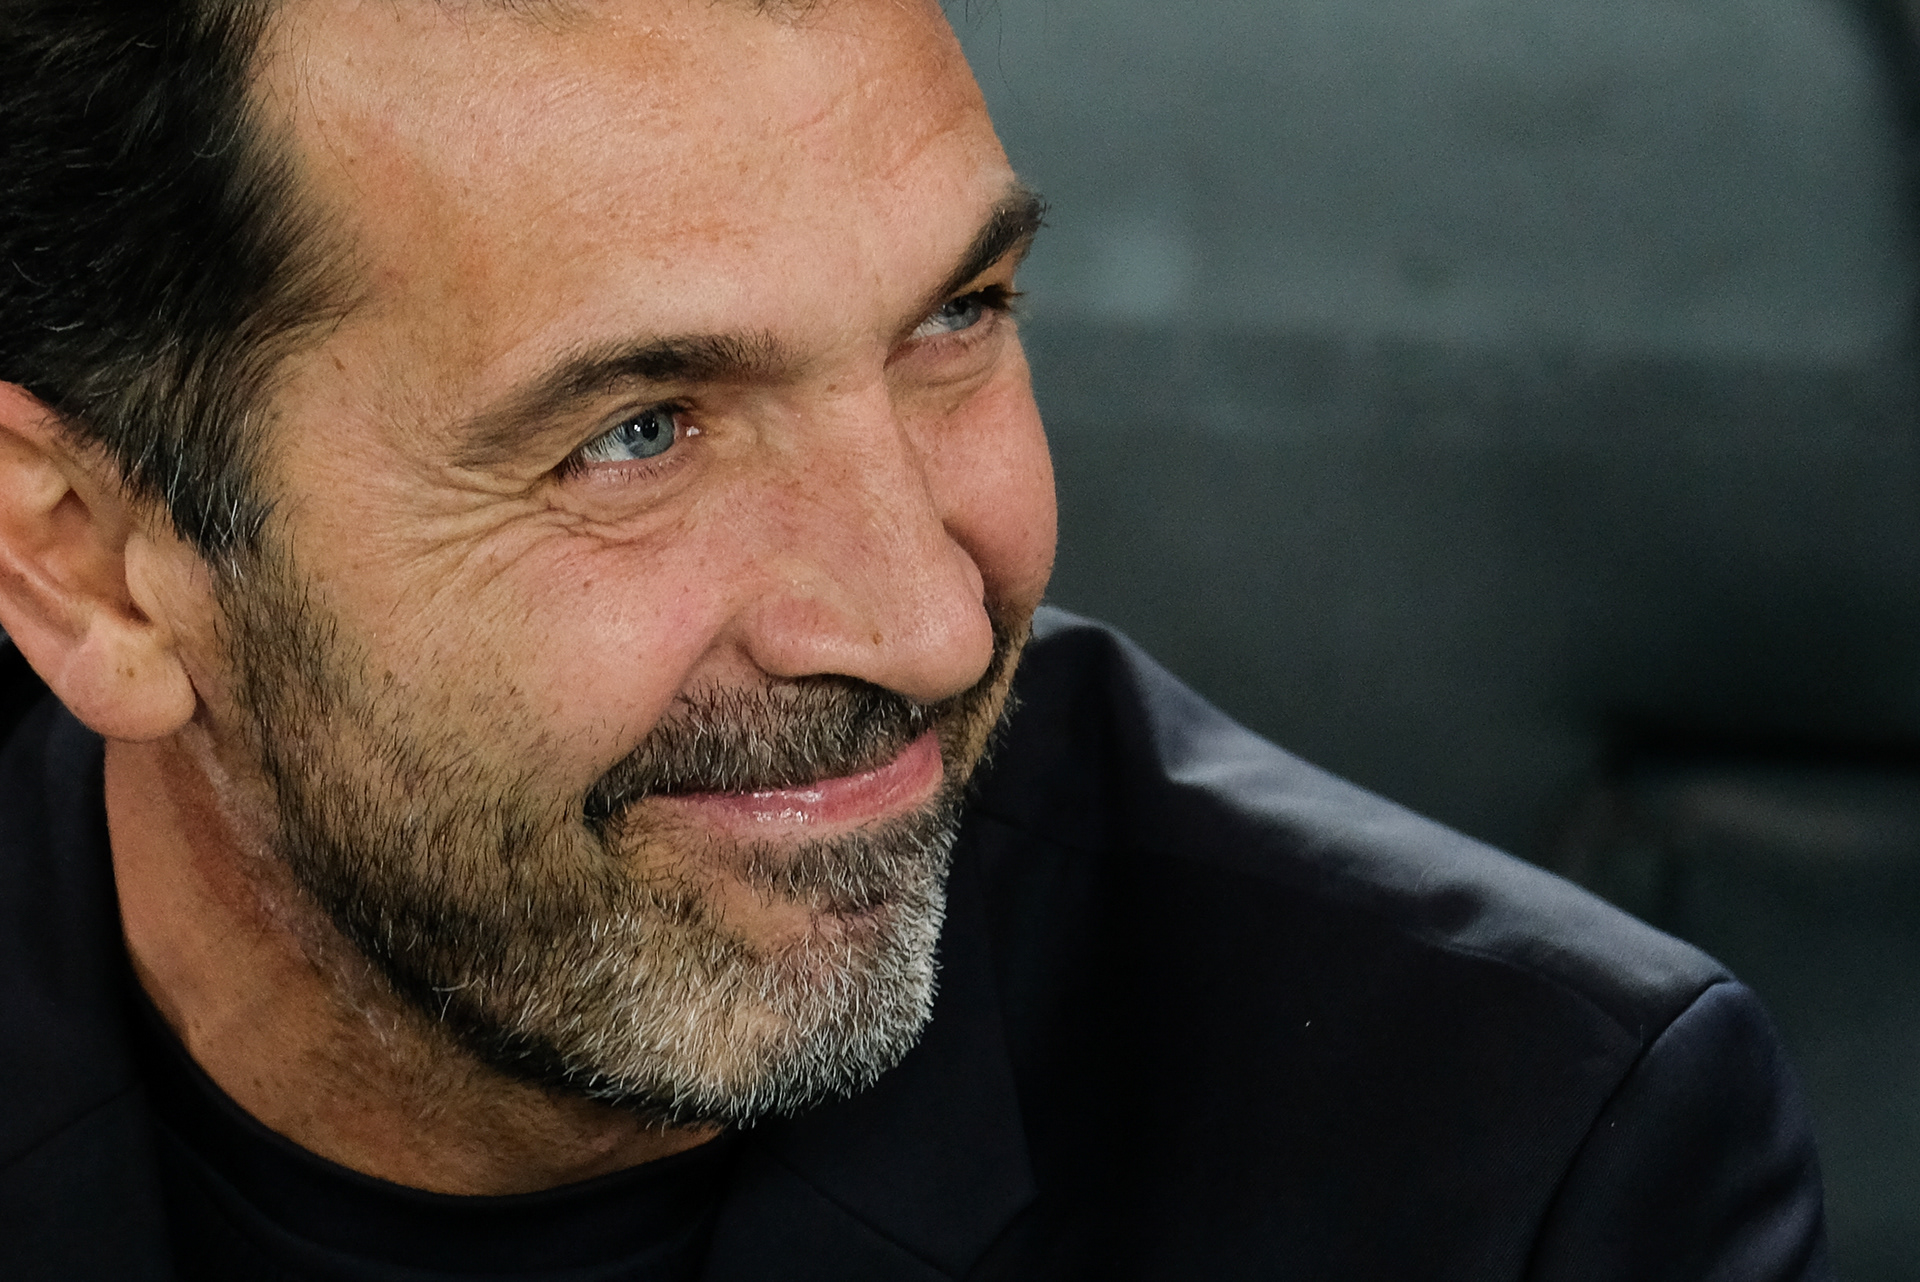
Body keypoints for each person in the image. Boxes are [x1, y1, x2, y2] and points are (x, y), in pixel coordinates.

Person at [0, 1, 1831, 1278]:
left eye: (955, 319)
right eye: (638, 432)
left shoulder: (1525, 1166)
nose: (932, 629)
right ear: (89, 567)